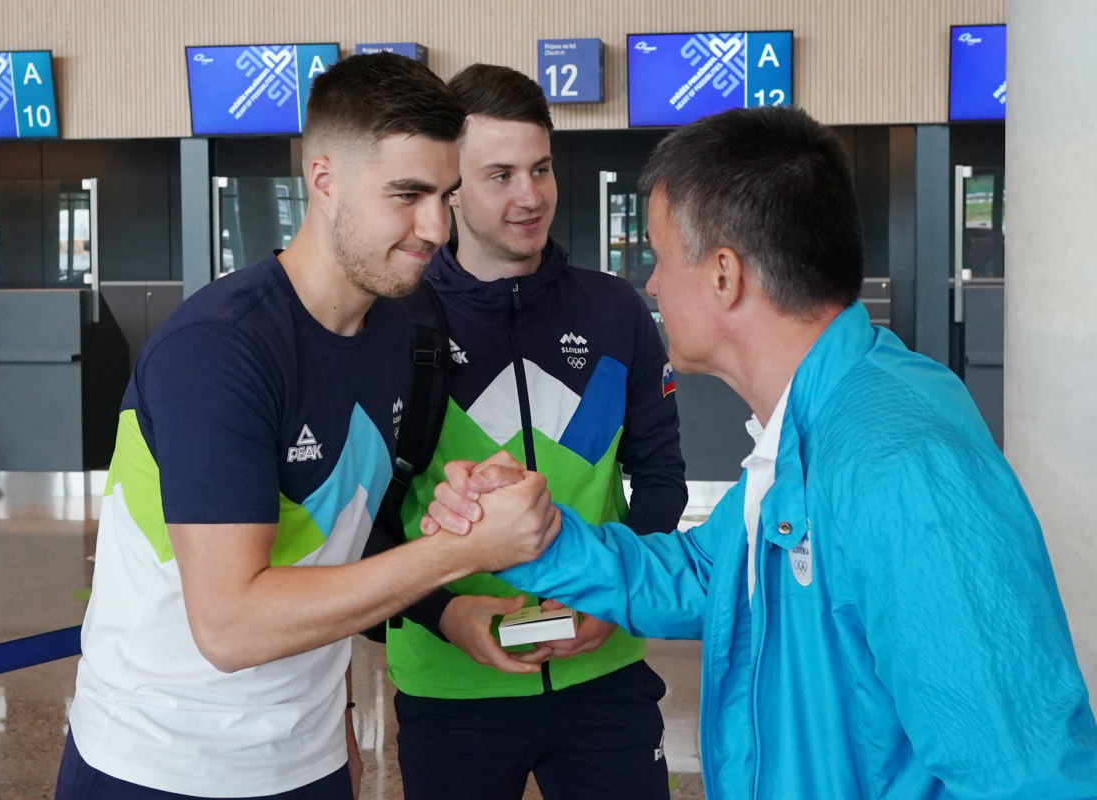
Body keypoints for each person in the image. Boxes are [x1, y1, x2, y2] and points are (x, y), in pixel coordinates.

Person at [424, 106, 1097, 799]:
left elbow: (1025, 779)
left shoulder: (901, 466)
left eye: (661, 256)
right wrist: (533, 533)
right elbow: (705, 575)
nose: (652, 285)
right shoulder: (819, 422)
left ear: (724, 275)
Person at [56, 53, 559, 800]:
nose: (434, 227)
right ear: (323, 180)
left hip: (308, 758)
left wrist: (343, 722)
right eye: (407, 194)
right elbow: (230, 626)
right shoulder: (218, 349)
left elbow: (341, 542)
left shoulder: (399, 331)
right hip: (156, 765)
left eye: (445, 195)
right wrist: (460, 553)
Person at [381, 64, 687, 800]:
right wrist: (446, 615)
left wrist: (615, 592)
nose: (531, 195)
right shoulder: (394, 324)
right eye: (501, 175)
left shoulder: (614, 311)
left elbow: (661, 478)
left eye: (541, 169)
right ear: (451, 188)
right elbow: (369, 520)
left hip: (602, 675)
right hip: (450, 685)